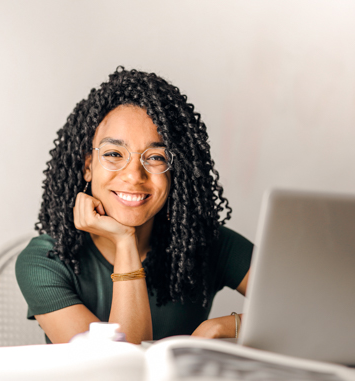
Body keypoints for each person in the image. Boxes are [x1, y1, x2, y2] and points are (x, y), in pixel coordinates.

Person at [15, 67, 253, 345]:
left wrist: (222, 327)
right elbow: (116, 370)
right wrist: (124, 241)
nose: (133, 175)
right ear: (87, 166)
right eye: (114, 154)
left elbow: (310, 308)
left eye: (155, 157)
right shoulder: (46, 261)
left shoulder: (208, 243)